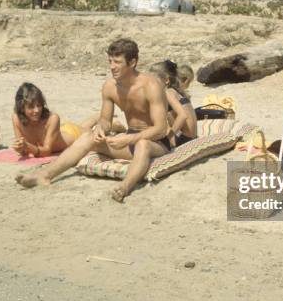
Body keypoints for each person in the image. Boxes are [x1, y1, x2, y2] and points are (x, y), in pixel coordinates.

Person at [16, 38, 171, 203]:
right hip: (129, 142)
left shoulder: (151, 86)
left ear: (132, 62)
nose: (112, 66)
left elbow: (161, 128)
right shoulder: (110, 87)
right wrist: (100, 129)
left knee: (143, 144)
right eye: (110, 61)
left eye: (117, 62)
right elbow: (105, 121)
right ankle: (44, 176)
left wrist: (129, 138)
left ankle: (124, 187)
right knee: (88, 136)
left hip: (157, 143)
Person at [11, 82, 125, 157]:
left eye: (39, 105)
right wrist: (20, 147)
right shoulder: (16, 119)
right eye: (31, 107)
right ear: (21, 107)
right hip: (62, 131)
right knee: (84, 126)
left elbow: (46, 151)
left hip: (74, 135)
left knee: (95, 134)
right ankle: (96, 117)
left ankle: (113, 124)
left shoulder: (52, 118)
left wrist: (28, 147)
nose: (36, 110)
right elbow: (22, 149)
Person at [149, 60, 197, 147]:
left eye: (153, 81)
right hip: (191, 137)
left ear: (167, 80)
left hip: (184, 139)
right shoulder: (176, 92)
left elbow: (182, 116)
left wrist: (170, 136)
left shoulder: (168, 92)